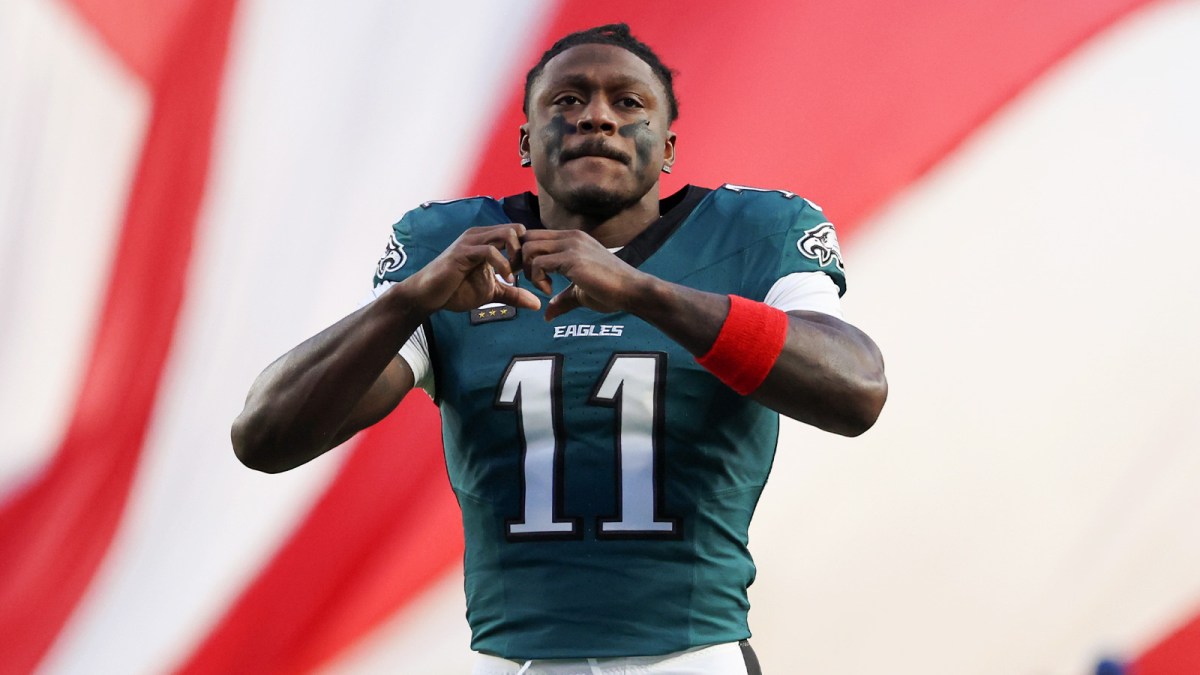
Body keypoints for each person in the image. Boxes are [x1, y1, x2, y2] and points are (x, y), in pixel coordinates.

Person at [232, 23, 887, 674]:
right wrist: (406, 301)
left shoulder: (751, 232)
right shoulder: (458, 250)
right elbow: (264, 437)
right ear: (526, 141)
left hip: (692, 656)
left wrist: (643, 292)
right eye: (566, 100)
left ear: (667, 147)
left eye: (627, 102)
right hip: (513, 660)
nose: (596, 117)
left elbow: (856, 388)